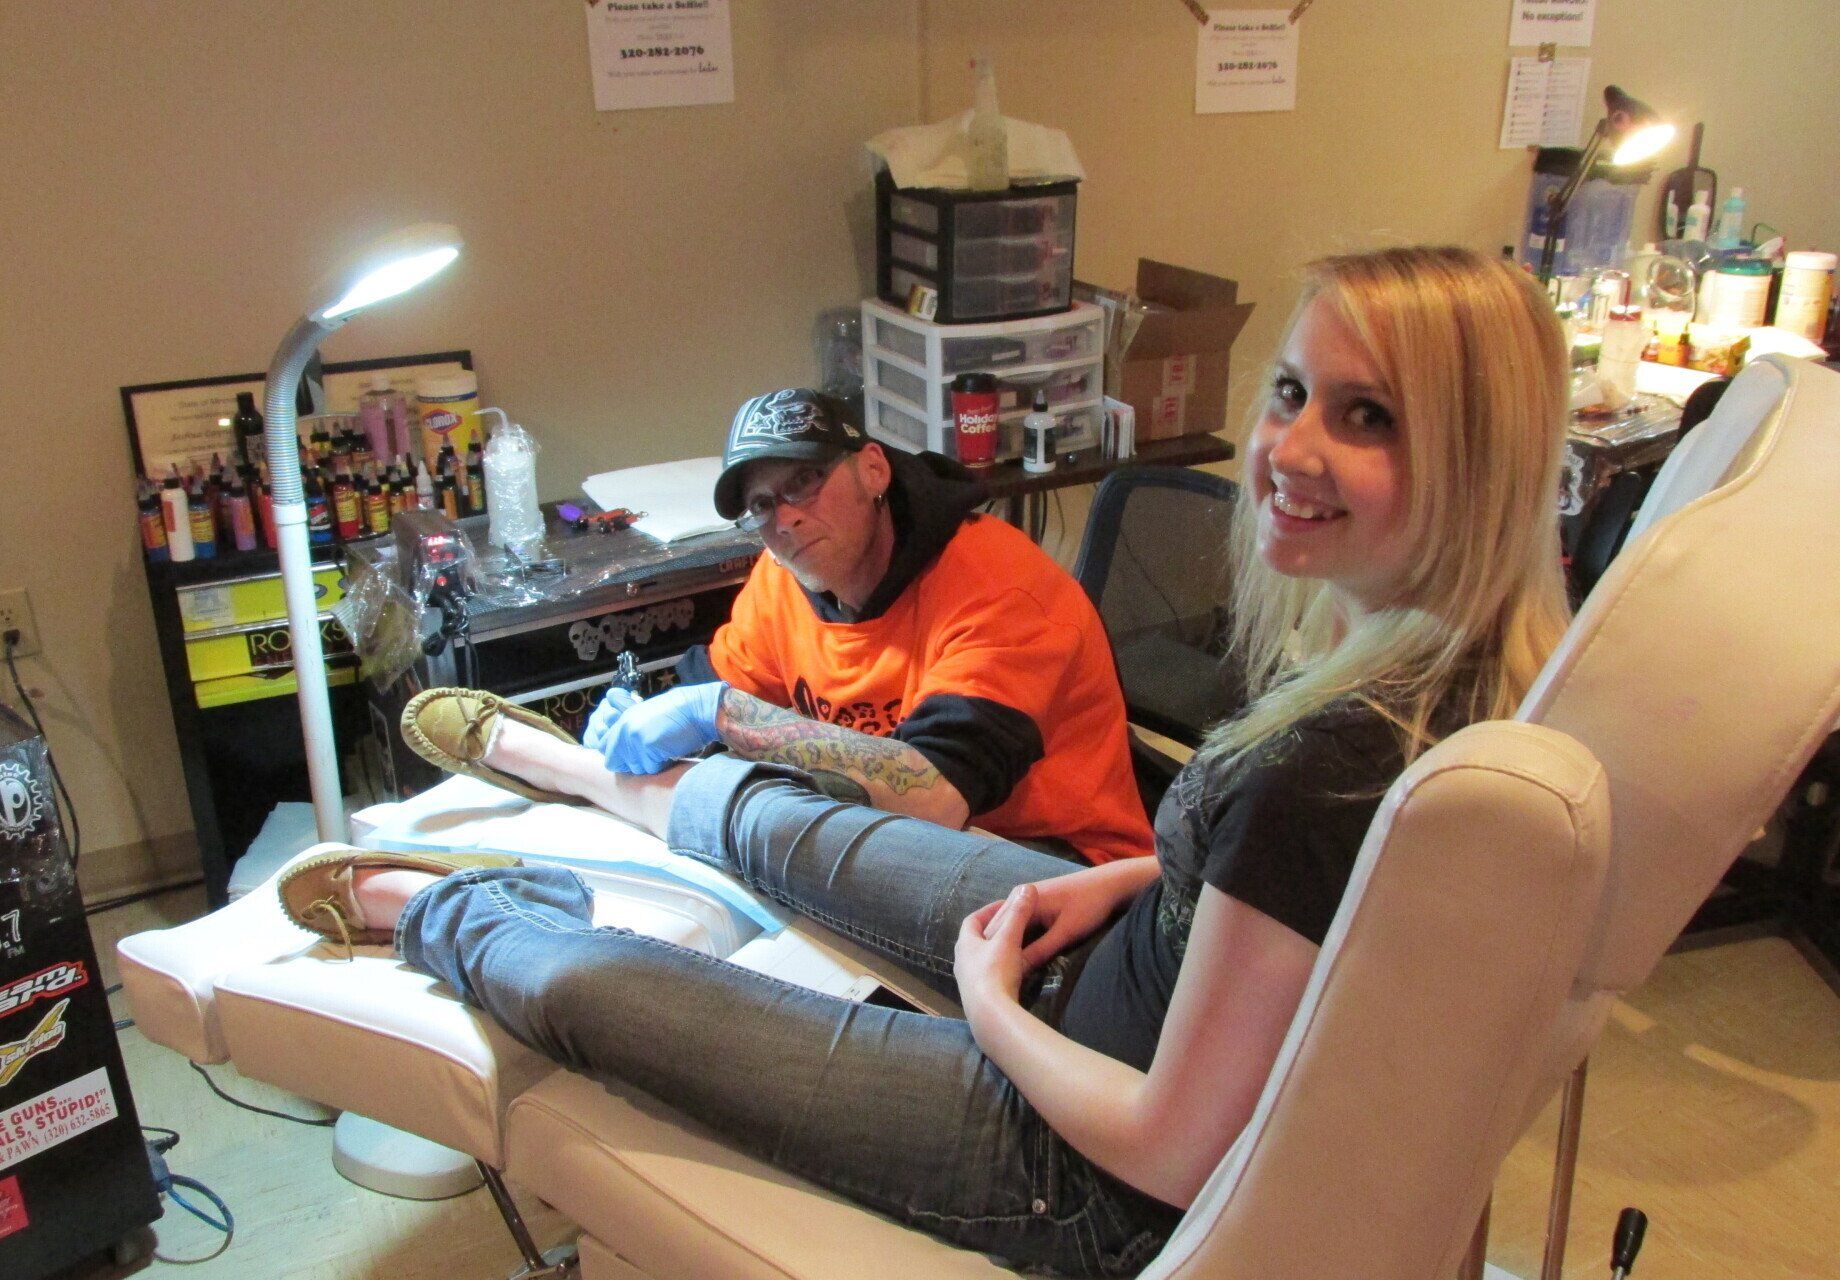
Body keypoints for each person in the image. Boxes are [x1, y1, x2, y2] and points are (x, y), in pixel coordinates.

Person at [281, 247, 1571, 1277]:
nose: (1289, 449)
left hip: (1072, 1155)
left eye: (1368, 417)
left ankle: (438, 902)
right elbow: (1270, 904)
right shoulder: (1407, 671)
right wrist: (1124, 885)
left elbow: (1175, 1145)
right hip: (1106, 952)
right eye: (1289, 393)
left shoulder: (1326, 751)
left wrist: (993, 1005)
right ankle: (561, 775)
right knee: (753, 810)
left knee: (589, 985)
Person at [403, 386, 1155, 864]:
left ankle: (544, 764)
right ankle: (574, 777)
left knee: (765, 835)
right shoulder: (785, 575)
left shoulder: (999, 586)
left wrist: (720, 715)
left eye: (804, 482)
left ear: (871, 470)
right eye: (762, 505)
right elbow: (716, 686)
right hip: (917, 842)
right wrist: (668, 710)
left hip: (1056, 867)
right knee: (733, 829)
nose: (785, 519)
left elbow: (933, 796)